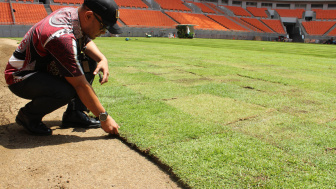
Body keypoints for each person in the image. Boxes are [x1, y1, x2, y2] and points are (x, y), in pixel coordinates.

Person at [4, 0, 122, 136]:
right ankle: (28, 115)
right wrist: (104, 118)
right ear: (88, 16)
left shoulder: (73, 14)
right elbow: (81, 86)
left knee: (89, 61)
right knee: (67, 91)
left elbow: (84, 39)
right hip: (20, 77)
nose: (103, 32)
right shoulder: (61, 37)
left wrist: (102, 58)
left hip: (40, 68)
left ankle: (75, 114)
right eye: (104, 26)